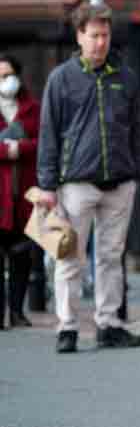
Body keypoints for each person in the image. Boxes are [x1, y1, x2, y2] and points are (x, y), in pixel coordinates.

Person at [37, 3, 140, 353]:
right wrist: (48, 185)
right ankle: (67, 328)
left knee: (112, 257)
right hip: (75, 185)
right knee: (70, 258)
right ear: (79, 36)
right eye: (94, 35)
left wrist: (135, 172)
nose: (101, 42)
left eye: (106, 35)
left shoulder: (125, 78)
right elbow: (49, 134)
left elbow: (137, 130)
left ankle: (108, 323)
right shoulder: (61, 80)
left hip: (120, 183)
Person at [0, 53, 40, 330]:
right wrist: (6, 150)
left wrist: (20, 148)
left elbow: (45, 141)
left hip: (25, 194)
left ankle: (17, 310)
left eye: (8, 75)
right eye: (0, 77)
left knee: (22, 255)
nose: (5, 81)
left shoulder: (33, 108)